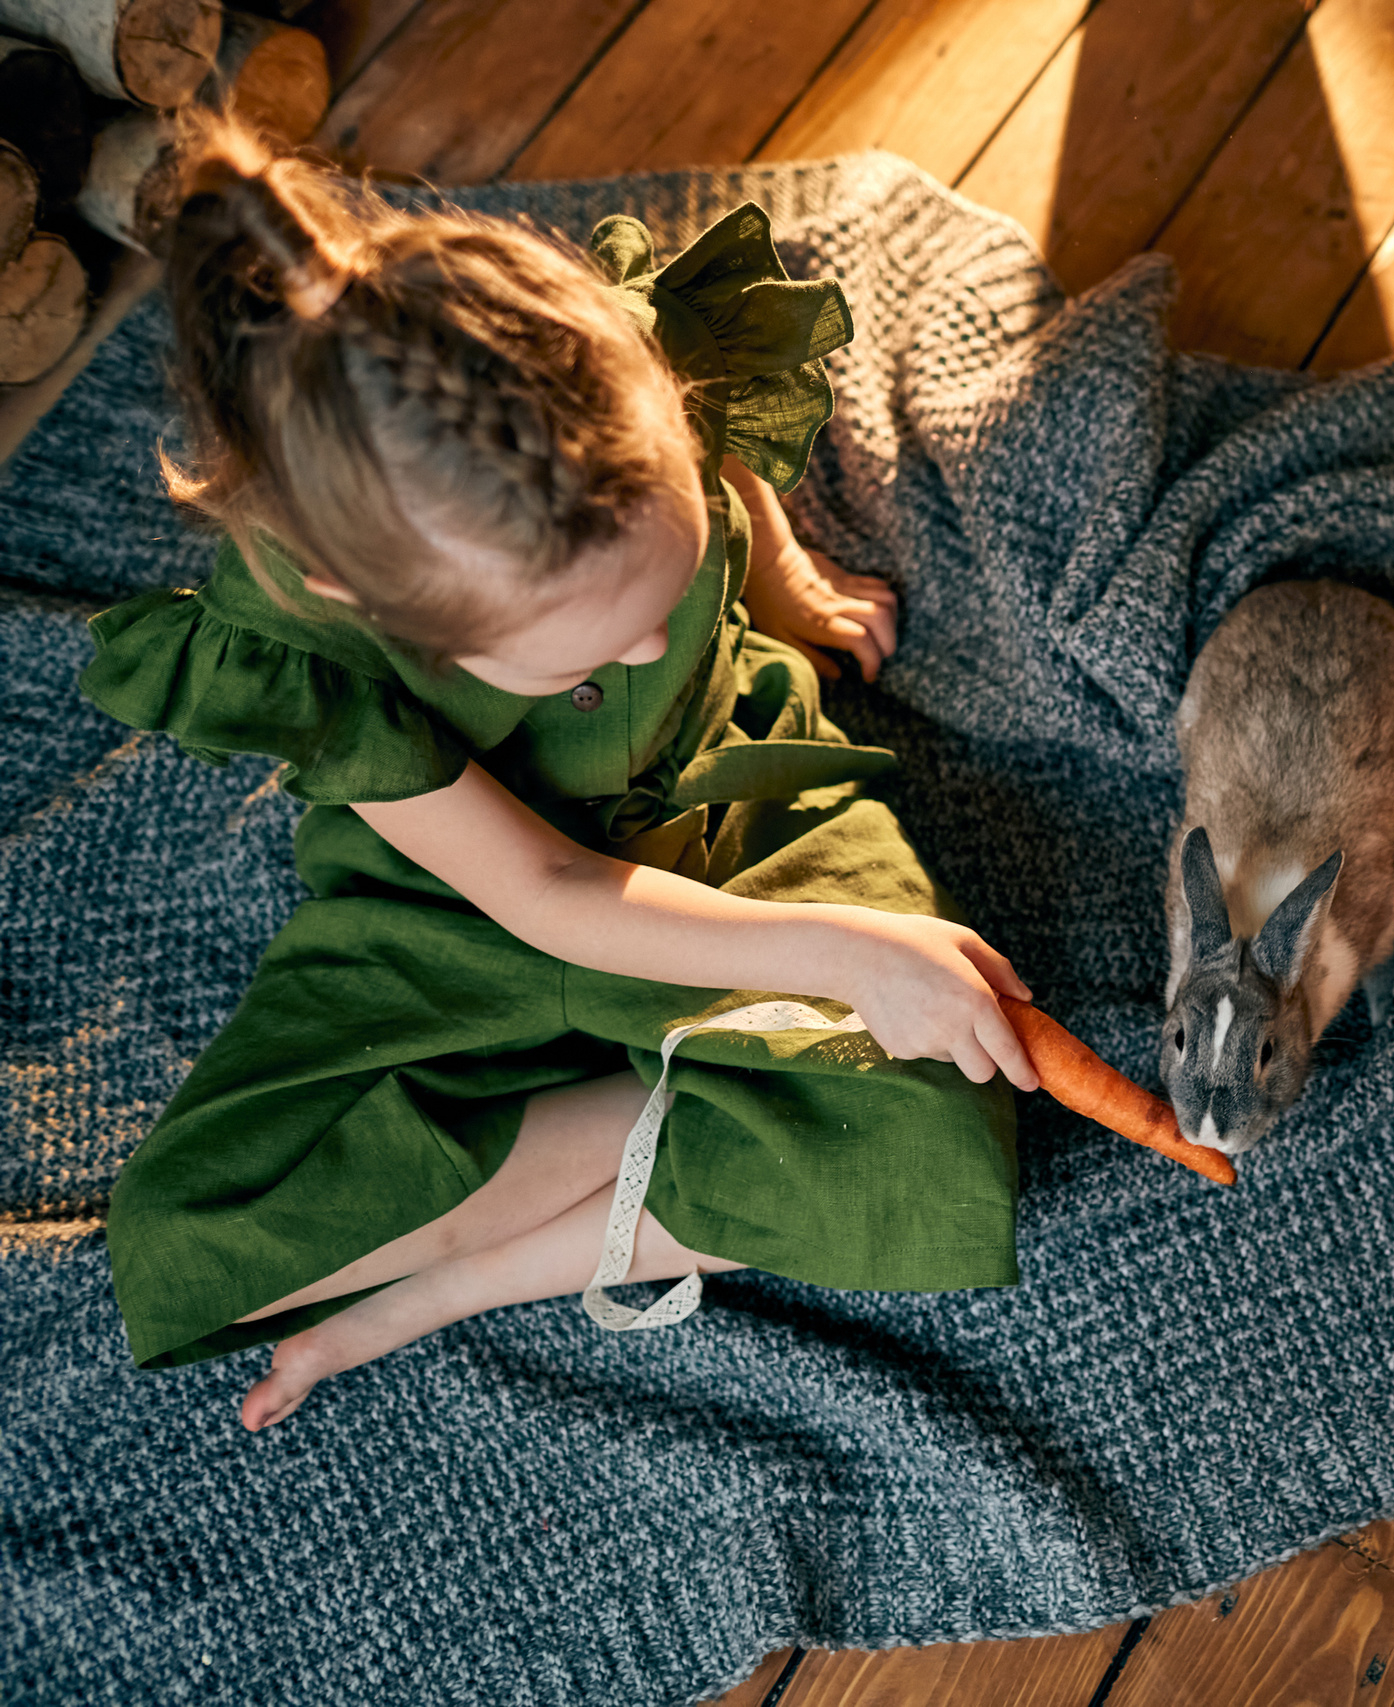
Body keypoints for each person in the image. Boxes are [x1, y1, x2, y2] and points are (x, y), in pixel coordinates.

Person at [80, 116, 1039, 1430]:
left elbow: (731, 476)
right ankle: (684, 1121)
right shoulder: (311, 628)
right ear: (363, 600)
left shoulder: (617, 374)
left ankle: (453, 1281)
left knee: (939, 1122)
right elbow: (546, 888)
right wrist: (850, 960)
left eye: (664, 582)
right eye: (586, 644)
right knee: (193, 1240)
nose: (653, 642)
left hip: (725, 807)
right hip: (482, 892)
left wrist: (794, 588)